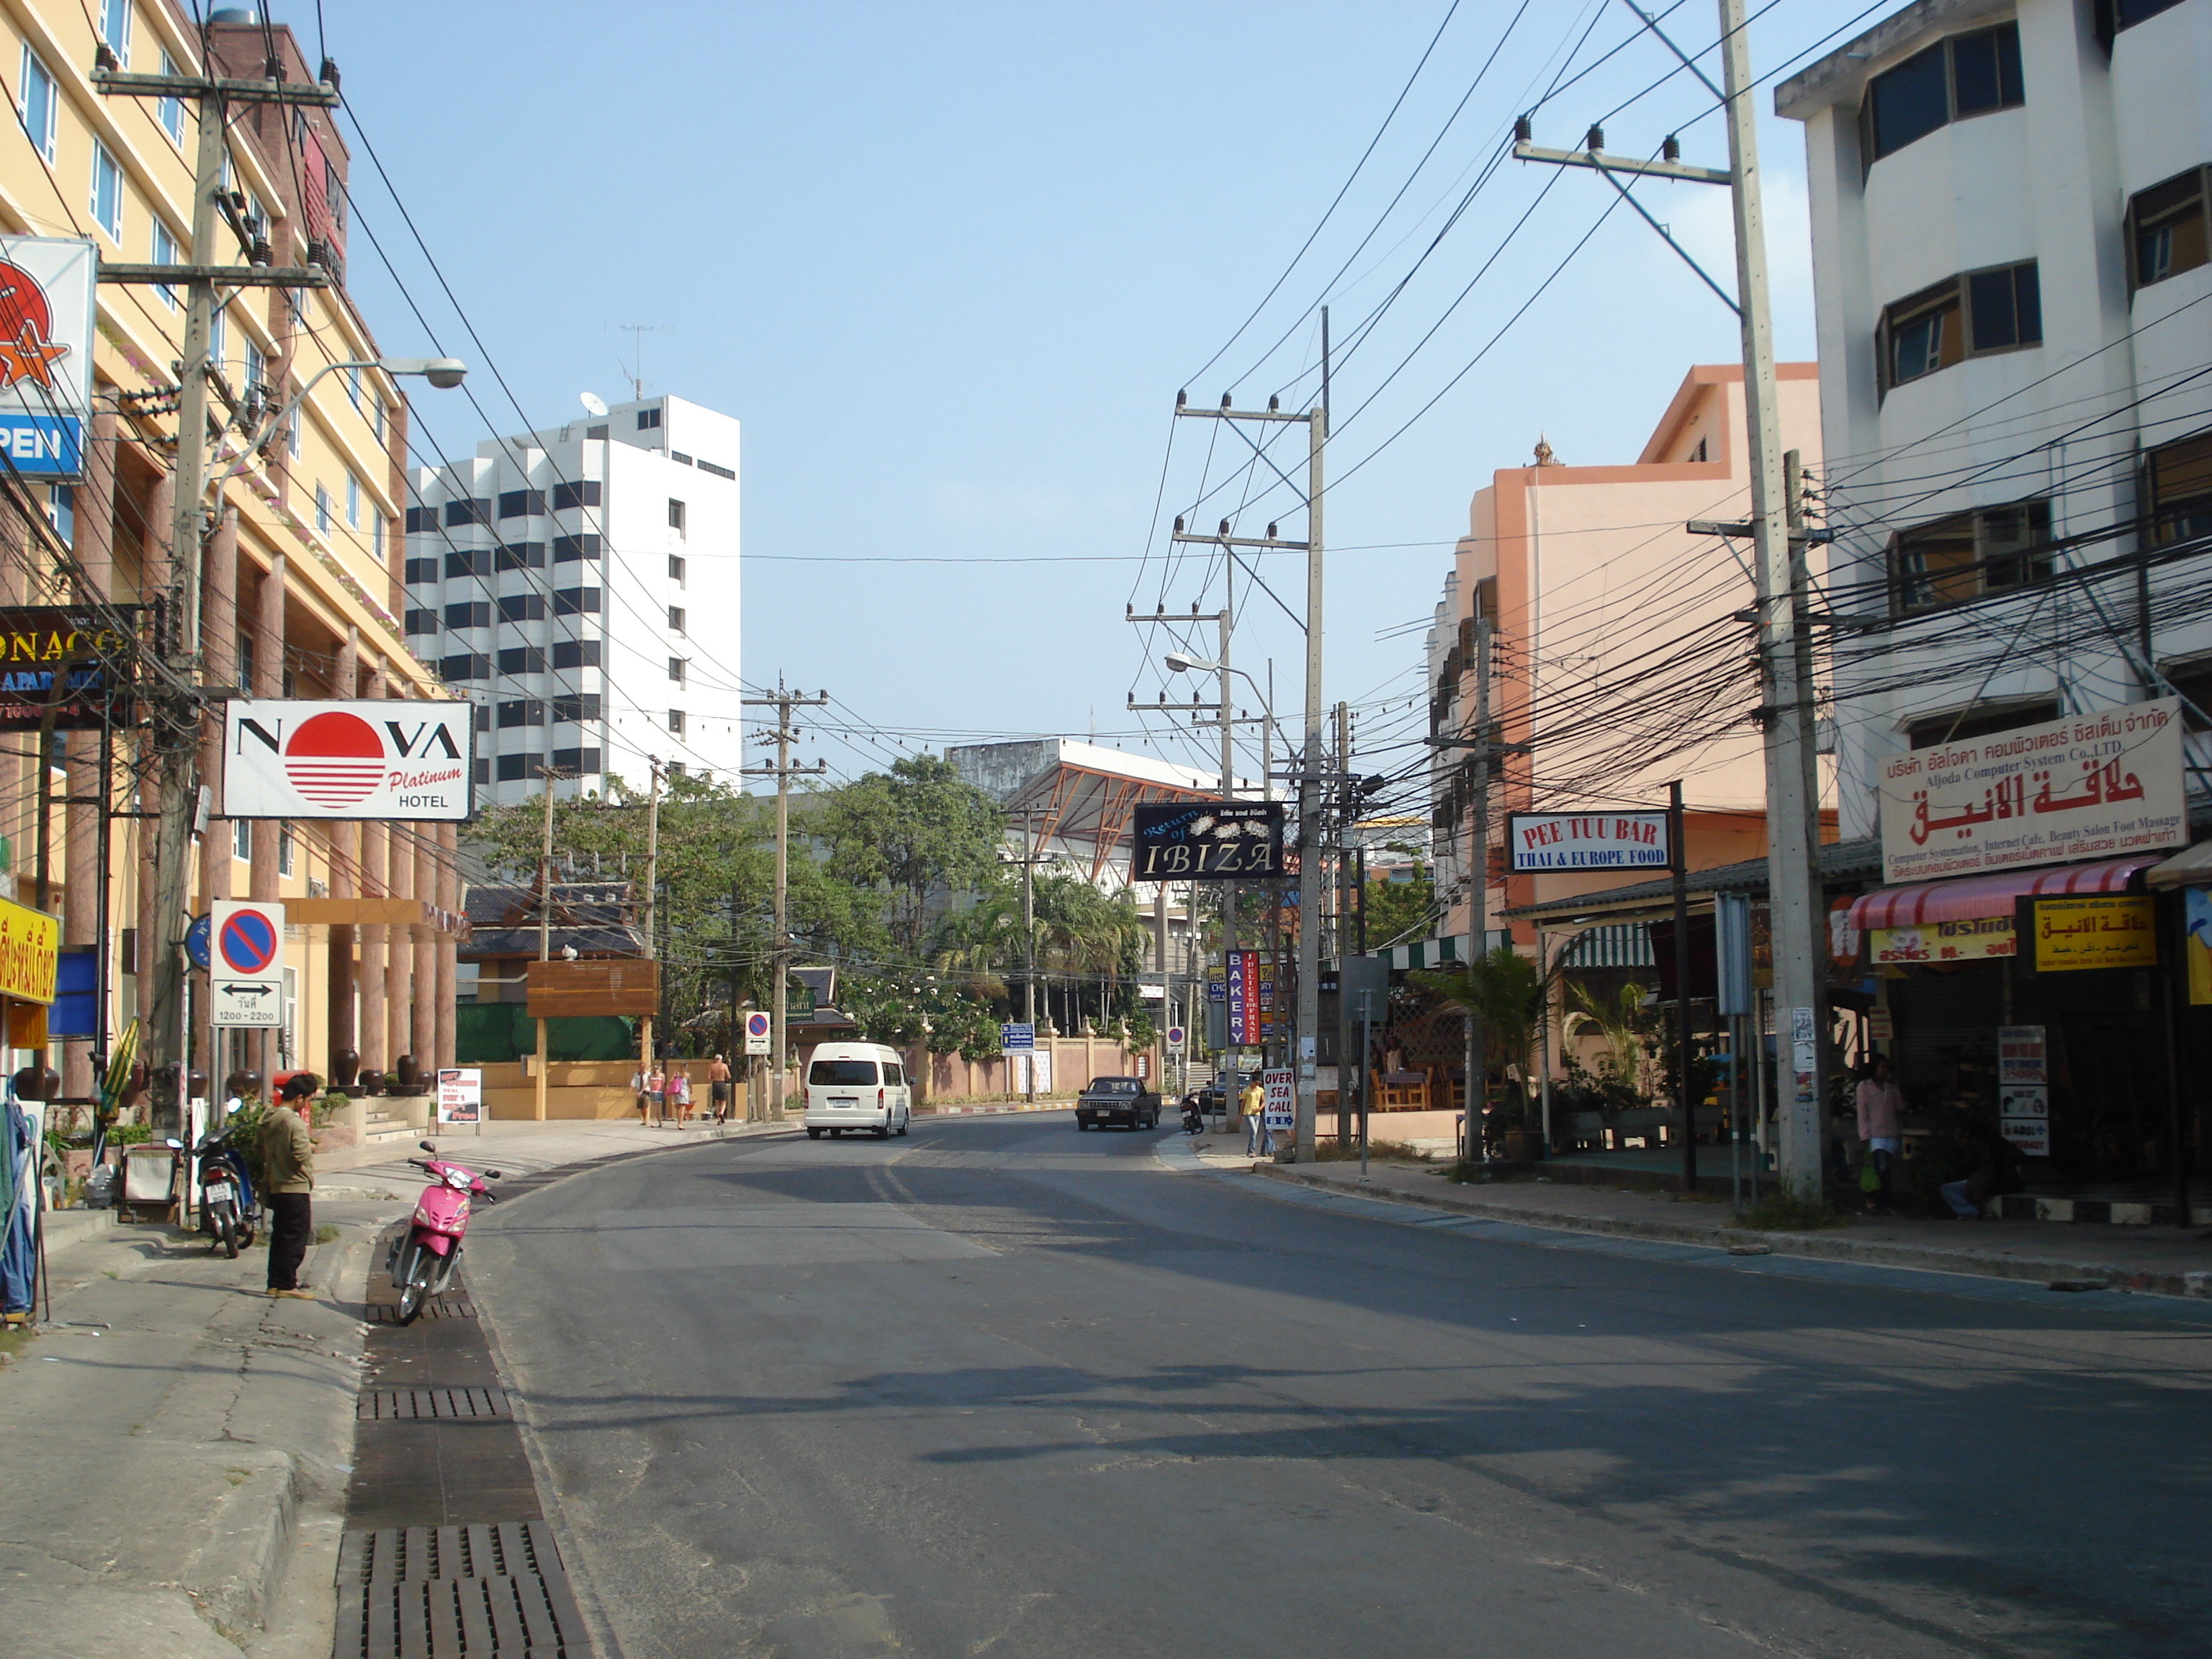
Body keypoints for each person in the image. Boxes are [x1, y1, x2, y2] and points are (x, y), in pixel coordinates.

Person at [261, 1073, 318, 1299]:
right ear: (299, 1098)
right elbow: (301, 1154)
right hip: (295, 1186)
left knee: (280, 1236)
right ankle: (287, 1284)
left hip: (275, 1184)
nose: (307, 1104)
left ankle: (275, 1281)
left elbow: (259, 1149)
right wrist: (311, 1149)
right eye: (308, 1100)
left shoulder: (268, 1118)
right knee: (295, 1237)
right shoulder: (292, 1122)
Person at [1941, 1118, 2027, 1219]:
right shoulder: (1998, 1141)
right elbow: (2019, 1156)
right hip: (2010, 1183)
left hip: (1988, 1183)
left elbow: (1971, 1165)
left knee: (1947, 1189)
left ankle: (1969, 1212)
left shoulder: (1977, 1144)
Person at [1854, 1054, 1907, 1213]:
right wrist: (1864, 1135)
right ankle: (1872, 1199)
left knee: (1886, 1170)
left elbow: (1898, 1108)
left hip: (1890, 1133)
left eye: (1886, 1068)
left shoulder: (1891, 1088)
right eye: (1882, 1067)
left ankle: (1884, 1203)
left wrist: (1903, 1101)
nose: (1885, 1071)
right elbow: (1862, 1113)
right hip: (1874, 1134)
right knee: (1880, 1166)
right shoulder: (1864, 1087)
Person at [1242, 1076, 1269, 1157]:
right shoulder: (1246, 1091)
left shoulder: (1260, 1090)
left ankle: (1251, 1151)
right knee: (1254, 1131)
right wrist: (1240, 1115)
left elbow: (1264, 1101)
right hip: (1248, 1113)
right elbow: (1243, 1103)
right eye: (1256, 1082)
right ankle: (1252, 1151)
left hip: (1257, 1114)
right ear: (1252, 1082)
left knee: (1255, 1133)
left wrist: (1260, 1108)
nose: (1257, 1084)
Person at [709, 1054, 732, 1123]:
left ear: (715, 1059)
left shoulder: (712, 1066)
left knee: (716, 1102)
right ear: (721, 1059)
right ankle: (721, 1113)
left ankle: (719, 1119)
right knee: (723, 1101)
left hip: (715, 1083)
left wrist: (714, 1077)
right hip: (722, 1083)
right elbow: (729, 1076)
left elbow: (709, 1077)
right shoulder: (724, 1066)